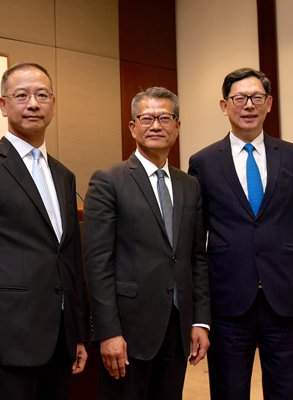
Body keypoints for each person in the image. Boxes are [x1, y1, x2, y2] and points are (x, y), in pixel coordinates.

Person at [188, 67, 293, 399]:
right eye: (239, 98)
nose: (248, 105)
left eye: (256, 97)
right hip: (227, 302)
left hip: (285, 297)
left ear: (269, 103)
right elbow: (196, 242)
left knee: (286, 392)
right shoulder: (203, 162)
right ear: (224, 105)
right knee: (228, 391)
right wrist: (200, 311)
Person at [0, 62, 88, 399]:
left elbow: (69, 260)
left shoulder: (64, 175)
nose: (33, 104)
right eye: (22, 95)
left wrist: (78, 333)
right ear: (3, 105)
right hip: (8, 341)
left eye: (42, 95)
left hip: (60, 340)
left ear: (53, 105)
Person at [84, 87, 211, 399]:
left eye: (165, 118)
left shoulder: (190, 186)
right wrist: (108, 332)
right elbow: (97, 264)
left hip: (177, 326)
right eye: (147, 118)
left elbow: (196, 257)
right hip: (128, 330)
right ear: (132, 127)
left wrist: (200, 321)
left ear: (177, 126)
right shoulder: (108, 181)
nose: (156, 125)